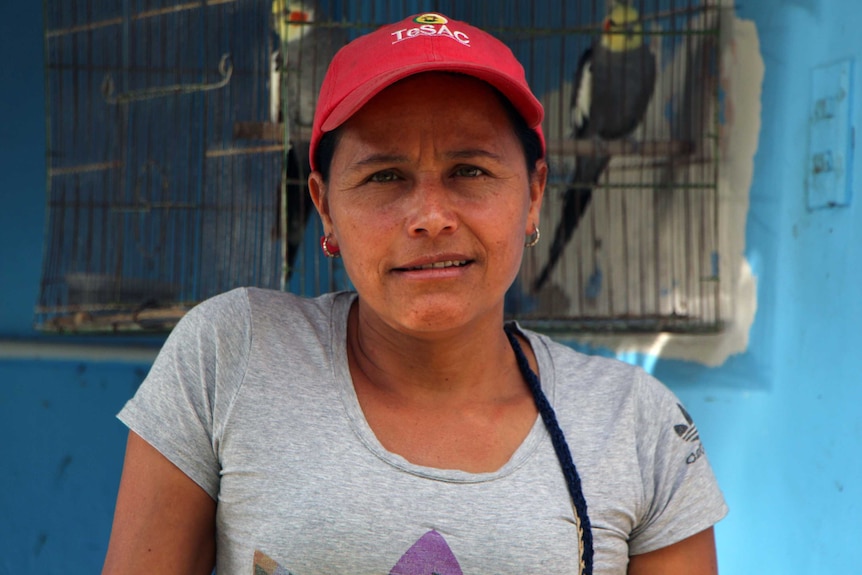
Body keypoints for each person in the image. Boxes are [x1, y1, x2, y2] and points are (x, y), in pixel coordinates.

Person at [102, 12, 727, 575]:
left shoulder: (635, 424)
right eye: (384, 176)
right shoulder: (231, 355)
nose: (430, 215)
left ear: (534, 195)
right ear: (324, 208)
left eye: (470, 171)